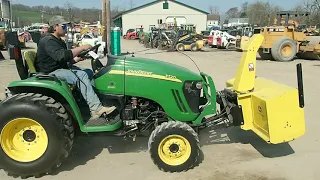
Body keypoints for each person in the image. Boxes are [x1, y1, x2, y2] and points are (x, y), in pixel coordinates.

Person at [35, 16, 117, 124]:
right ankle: (96, 109)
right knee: (81, 75)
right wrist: (82, 48)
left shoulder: (58, 40)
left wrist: (77, 59)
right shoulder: (48, 40)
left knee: (88, 72)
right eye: (64, 26)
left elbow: (62, 60)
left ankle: (91, 101)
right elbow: (61, 56)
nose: (66, 28)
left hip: (58, 67)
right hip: (51, 72)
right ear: (55, 27)